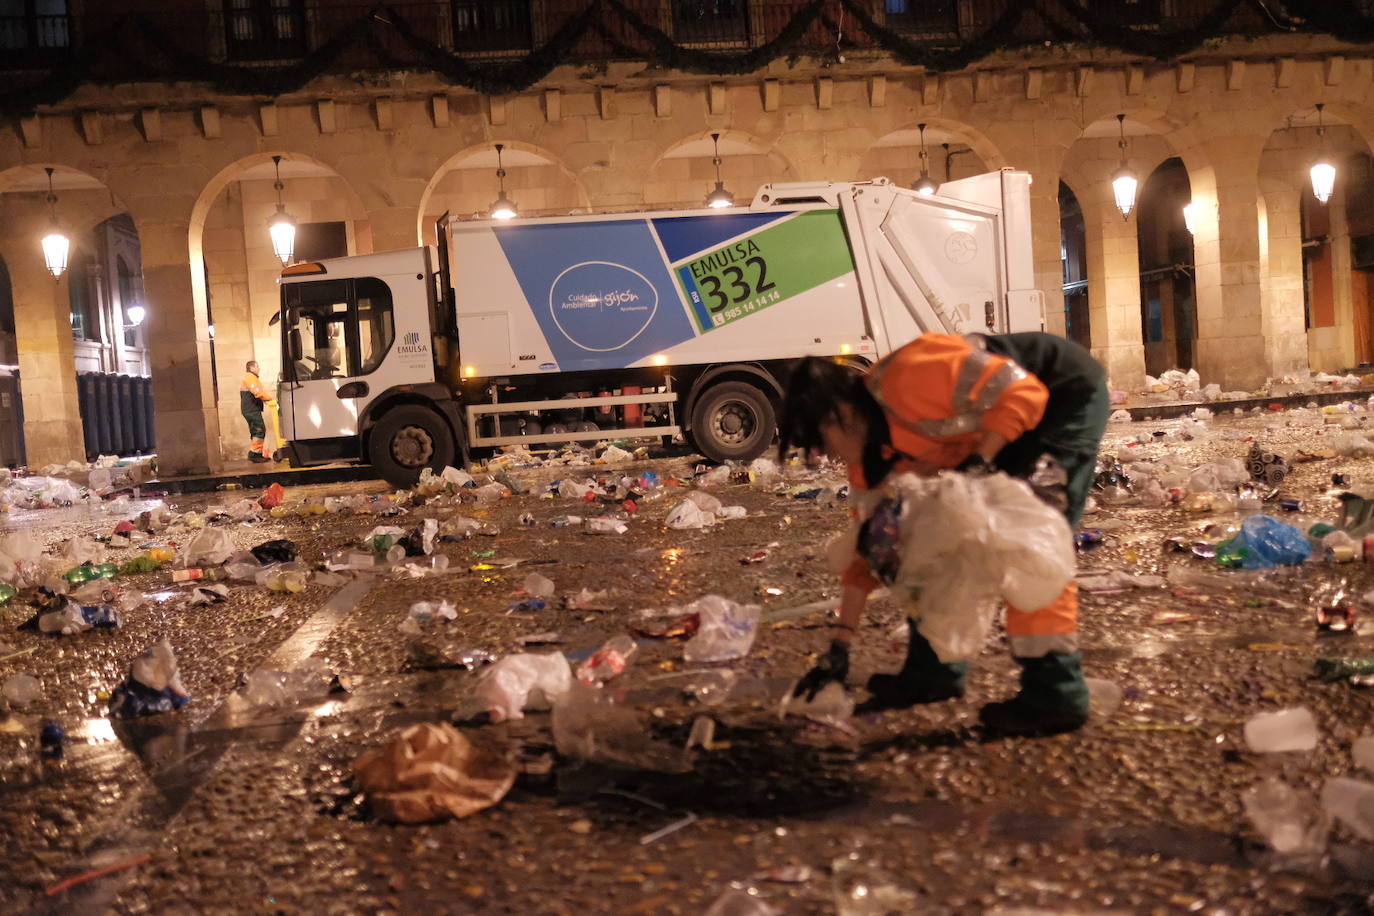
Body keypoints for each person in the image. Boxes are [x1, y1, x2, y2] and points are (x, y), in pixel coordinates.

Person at [780, 331, 1109, 736]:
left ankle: (1056, 696)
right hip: (992, 436)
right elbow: (870, 552)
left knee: (1027, 543)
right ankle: (933, 672)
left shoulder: (909, 375)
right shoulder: (869, 460)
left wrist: (979, 462)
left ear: (838, 414)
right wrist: (840, 646)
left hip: (1063, 398)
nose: (824, 456)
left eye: (820, 442)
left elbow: (1024, 393)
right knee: (921, 540)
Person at [240, 360, 274, 464]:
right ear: (251, 368)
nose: (259, 368)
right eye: (257, 366)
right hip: (251, 409)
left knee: (256, 431)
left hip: (250, 409)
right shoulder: (250, 378)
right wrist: (270, 399)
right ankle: (254, 454)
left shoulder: (251, 378)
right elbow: (258, 392)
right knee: (259, 430)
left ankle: (255, 453)